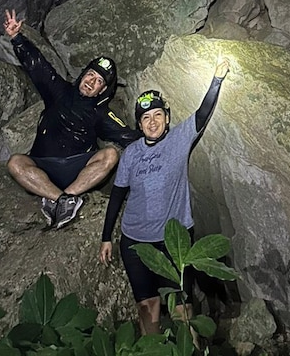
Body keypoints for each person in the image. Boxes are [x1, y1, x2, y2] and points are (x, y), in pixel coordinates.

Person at [99, 58, 230, 335]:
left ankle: (190, 350)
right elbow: (118, 196)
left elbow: (202, 113)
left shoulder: (179, 139)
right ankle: (152, 349)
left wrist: (216, 79)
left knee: (182, 305)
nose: (152, 121)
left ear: (167, 118)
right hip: (135, 242)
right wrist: (106, 237)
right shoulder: (132, 153)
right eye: (146, 117)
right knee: (148, 306)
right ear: (140, 123)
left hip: (175, 240)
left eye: (157, 114)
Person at [3, 8, 139, 229]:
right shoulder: (59, 91)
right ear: (83, 74)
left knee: (110, 155)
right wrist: (17, 38)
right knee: (15, 162)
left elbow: (129, 137)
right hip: (43, 165)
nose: (91, 82)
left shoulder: (102, 113)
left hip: (77, 170)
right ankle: (61, 199)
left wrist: (159, 138)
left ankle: (65, 197)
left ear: (102, 91)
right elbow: (38, 66)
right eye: (90, 75)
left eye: (99, 82)